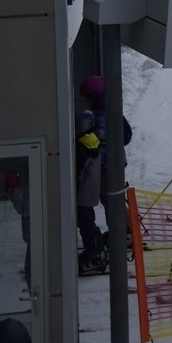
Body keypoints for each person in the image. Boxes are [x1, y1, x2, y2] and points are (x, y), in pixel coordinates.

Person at [79, 75, 132, 230]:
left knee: (111, 199)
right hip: (112, 163)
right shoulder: (108, 109)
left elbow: (99, 138)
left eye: (88, 98)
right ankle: (122, 232)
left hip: (109, 165)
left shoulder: (104, 115)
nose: (87, 102)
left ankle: (123, 233)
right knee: (111, 199)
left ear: (95, 96)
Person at [75, 106, 107, 275]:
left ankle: (96, 255)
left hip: (83, 193)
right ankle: (95, 250)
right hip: (90, 190)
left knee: (86, 223)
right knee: (87, 222)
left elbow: (76, 172)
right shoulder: (92, 141)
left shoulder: (81, 148)